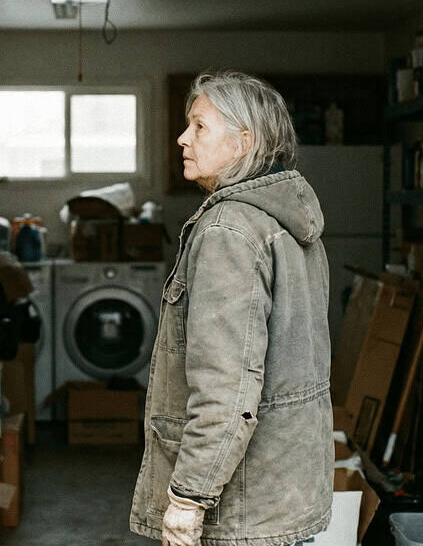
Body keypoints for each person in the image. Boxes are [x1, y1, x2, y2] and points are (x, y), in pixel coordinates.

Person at [129, 70, 333, 546]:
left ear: (244, 142)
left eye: (199, 126)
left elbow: (226, 385)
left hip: (239, 505)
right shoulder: (287, 222)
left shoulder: (229, 231)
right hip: (284, 490)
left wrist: (187, 498)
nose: (182, 138)